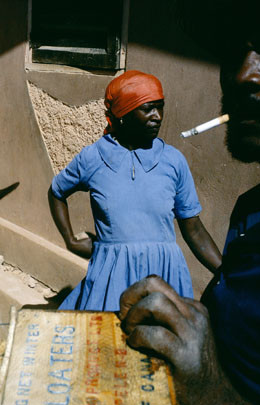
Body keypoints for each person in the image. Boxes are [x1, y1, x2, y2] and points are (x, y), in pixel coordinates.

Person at [119, 2, 260, 405]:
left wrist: (212, 398)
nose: (243, 74)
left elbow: (191, 226)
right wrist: (191, 320)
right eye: (234, 53)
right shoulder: (255, 208)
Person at [48, 70, 221, 312]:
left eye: (160, 107)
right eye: (148, 109)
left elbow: (193, 227)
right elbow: (57, 192)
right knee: (107, 343)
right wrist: (70, 240)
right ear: (122, 115)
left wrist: (226, 272)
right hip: (112, 275)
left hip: (164, 275)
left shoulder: (173, 160)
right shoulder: (94, 158)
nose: (157, 116)